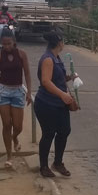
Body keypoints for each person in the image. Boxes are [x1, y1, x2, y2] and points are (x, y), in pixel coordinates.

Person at [0, 28, 32, 169]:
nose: (7, 46)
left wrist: (29, 91)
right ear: (1, 43)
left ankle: (15, 138)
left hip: (17, 90)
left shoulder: (22, 55)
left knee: (18, 126)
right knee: (6, 124)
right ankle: (9, 155)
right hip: (3, 91)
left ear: (14, 42)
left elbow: (27, 74)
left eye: (9, 43)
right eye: (4, 44)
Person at [34, 30, 78, 178]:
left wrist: (70, 77)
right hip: (47, 103)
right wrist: (62, 94)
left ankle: (58, 162)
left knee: (64, 131)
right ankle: (44, 166)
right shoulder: (48, 59)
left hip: (59, 104)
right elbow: (46, 81)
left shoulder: (56, 58)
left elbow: (56, 79)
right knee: (48, 134)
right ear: (60, 43)